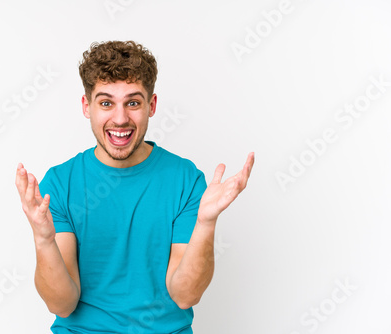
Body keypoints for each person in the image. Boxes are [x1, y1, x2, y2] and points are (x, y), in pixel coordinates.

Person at [15, 40, 255, 333]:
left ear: (151, 106)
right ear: (86, 106)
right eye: (106, 103)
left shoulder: (186, 180)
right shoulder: (60, 183)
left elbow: (186, 295)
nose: (120, 118)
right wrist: (43, 239)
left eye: (133, 102)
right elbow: (61, 305)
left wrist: (206, 222)